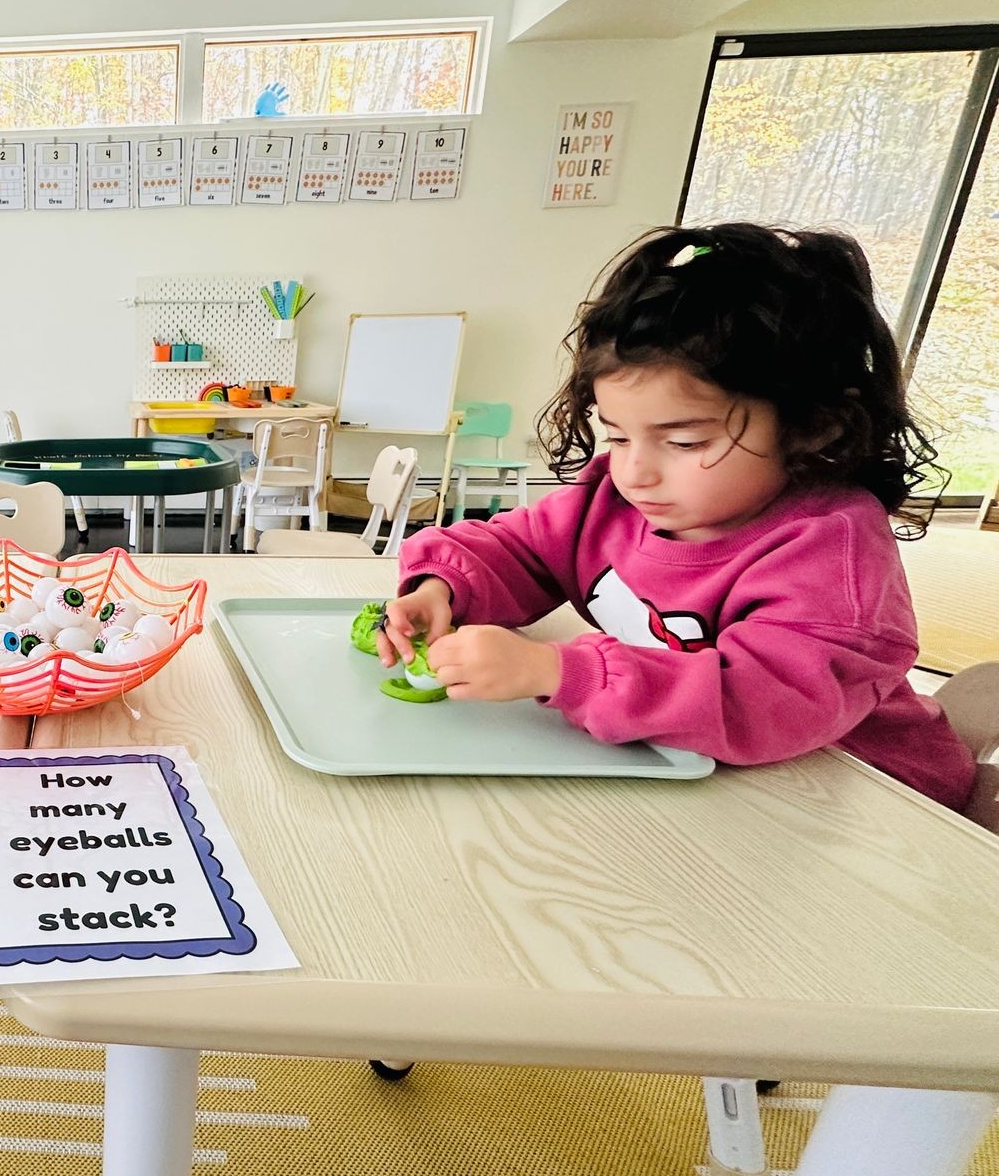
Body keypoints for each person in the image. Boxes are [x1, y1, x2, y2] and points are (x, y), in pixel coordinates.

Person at [378, 223, 975, 812]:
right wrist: (443, 588)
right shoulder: (612, 500)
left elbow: (760, 702)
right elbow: (519, 548)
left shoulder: (831, 554)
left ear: (813, 425)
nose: (635, 472)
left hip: (869, 798)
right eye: (616, 435)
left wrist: (559, 672)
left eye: (685, 442)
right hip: (706, 781)